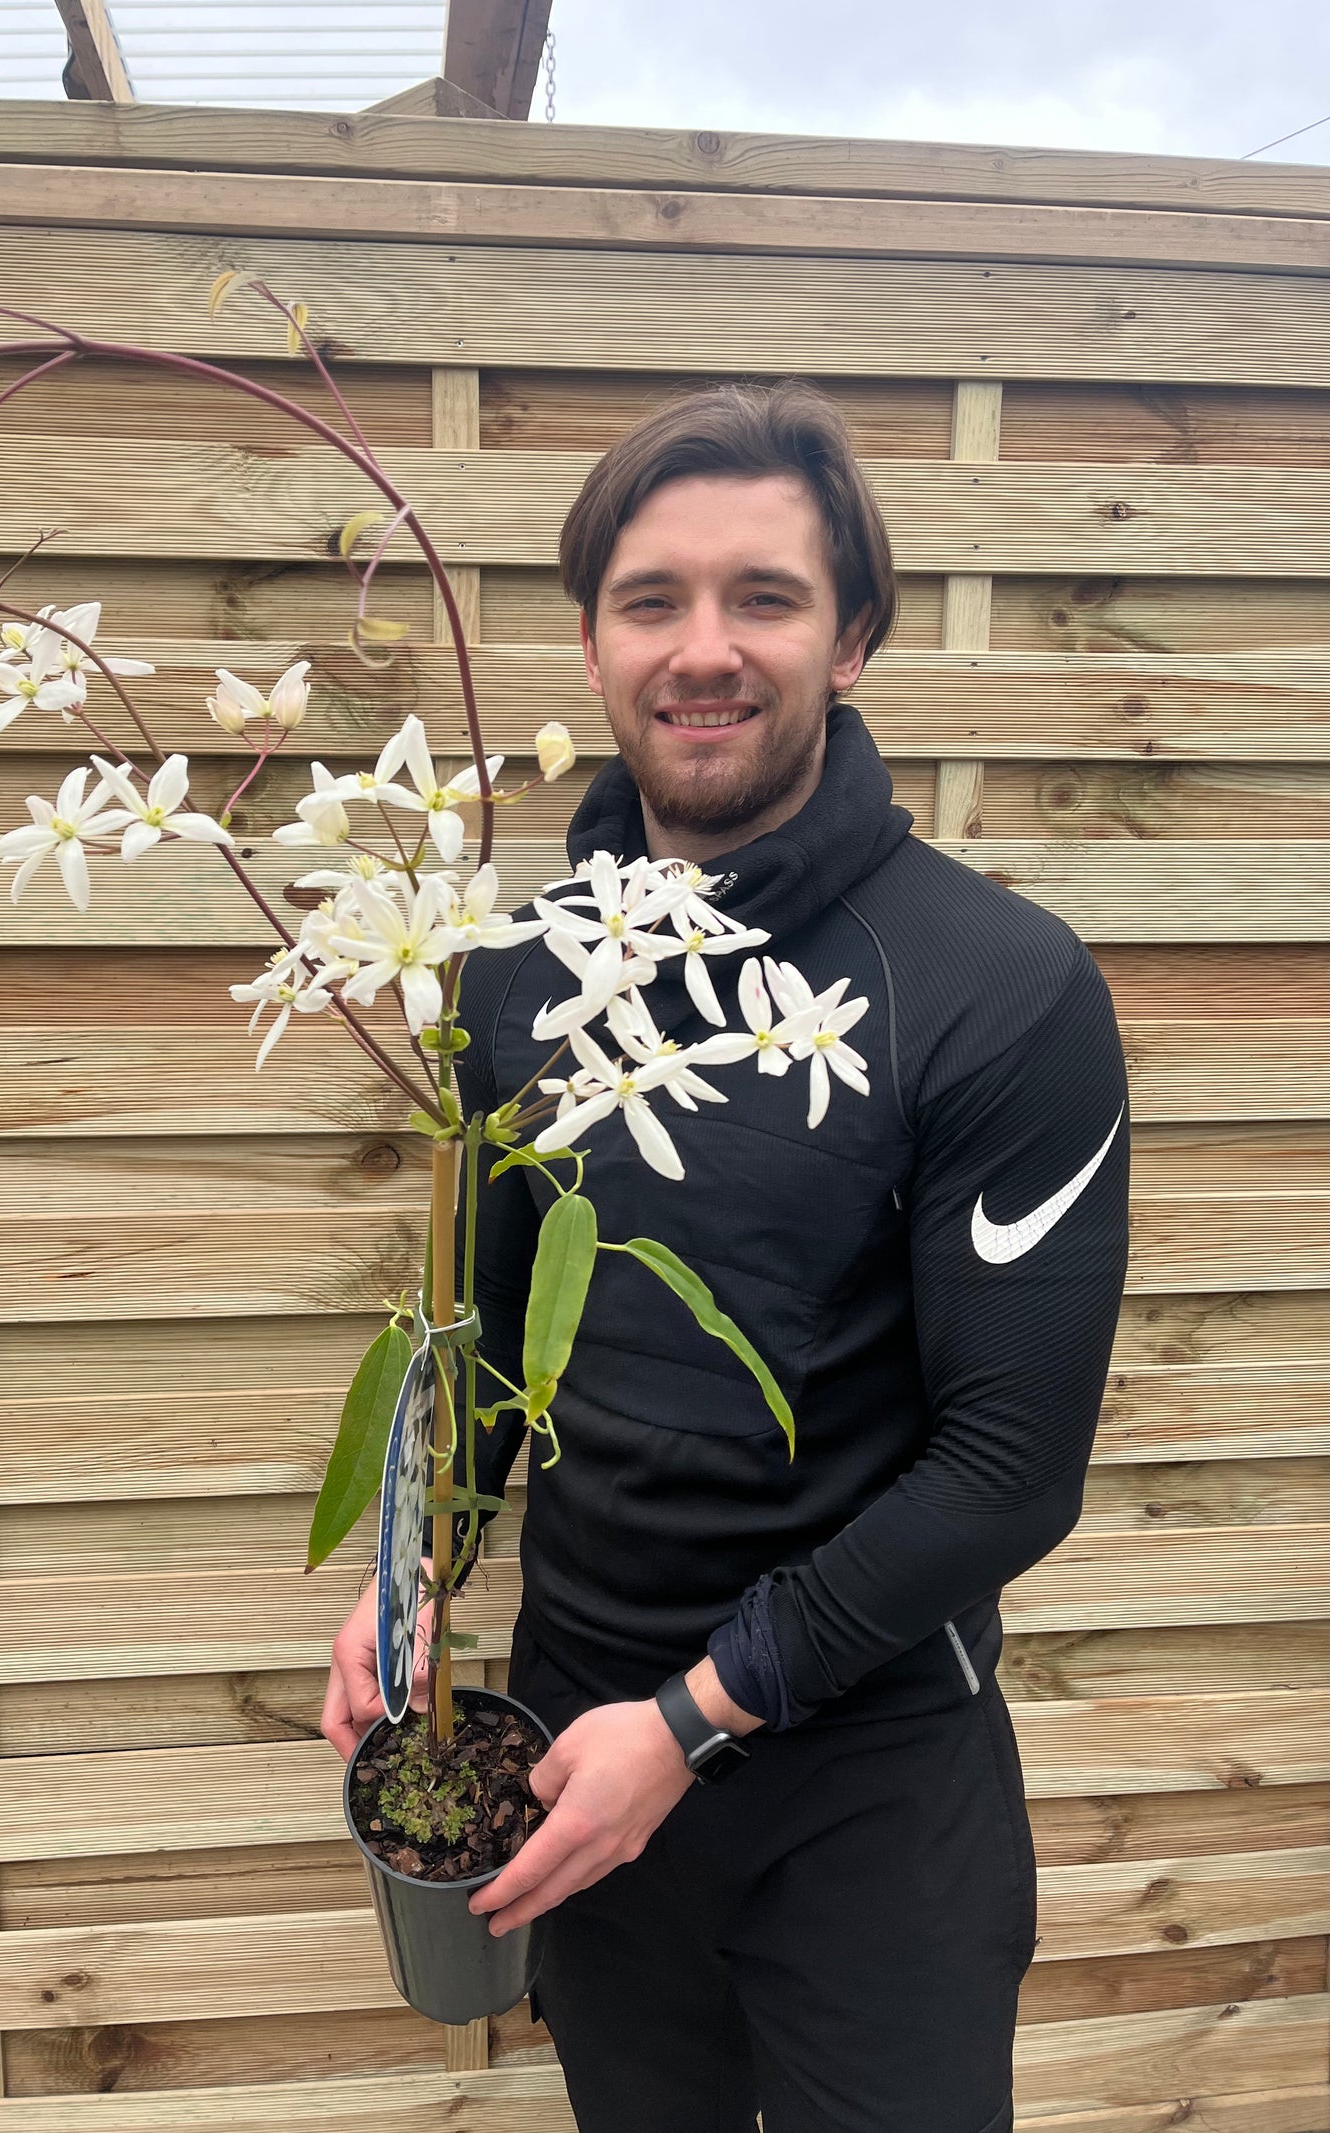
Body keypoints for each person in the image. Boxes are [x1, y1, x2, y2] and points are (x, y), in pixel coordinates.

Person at [321, 381, 1131, 2133]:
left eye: (764, 596)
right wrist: (399, 1583)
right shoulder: (513, 972)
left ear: (853, 640)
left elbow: (1008, 1471)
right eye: (652, 599)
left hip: (868, 1781)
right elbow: (482, 1353)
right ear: (596, 646)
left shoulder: (998, 988)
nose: (707, 649)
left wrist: (693, 1717)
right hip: (567, 1753)